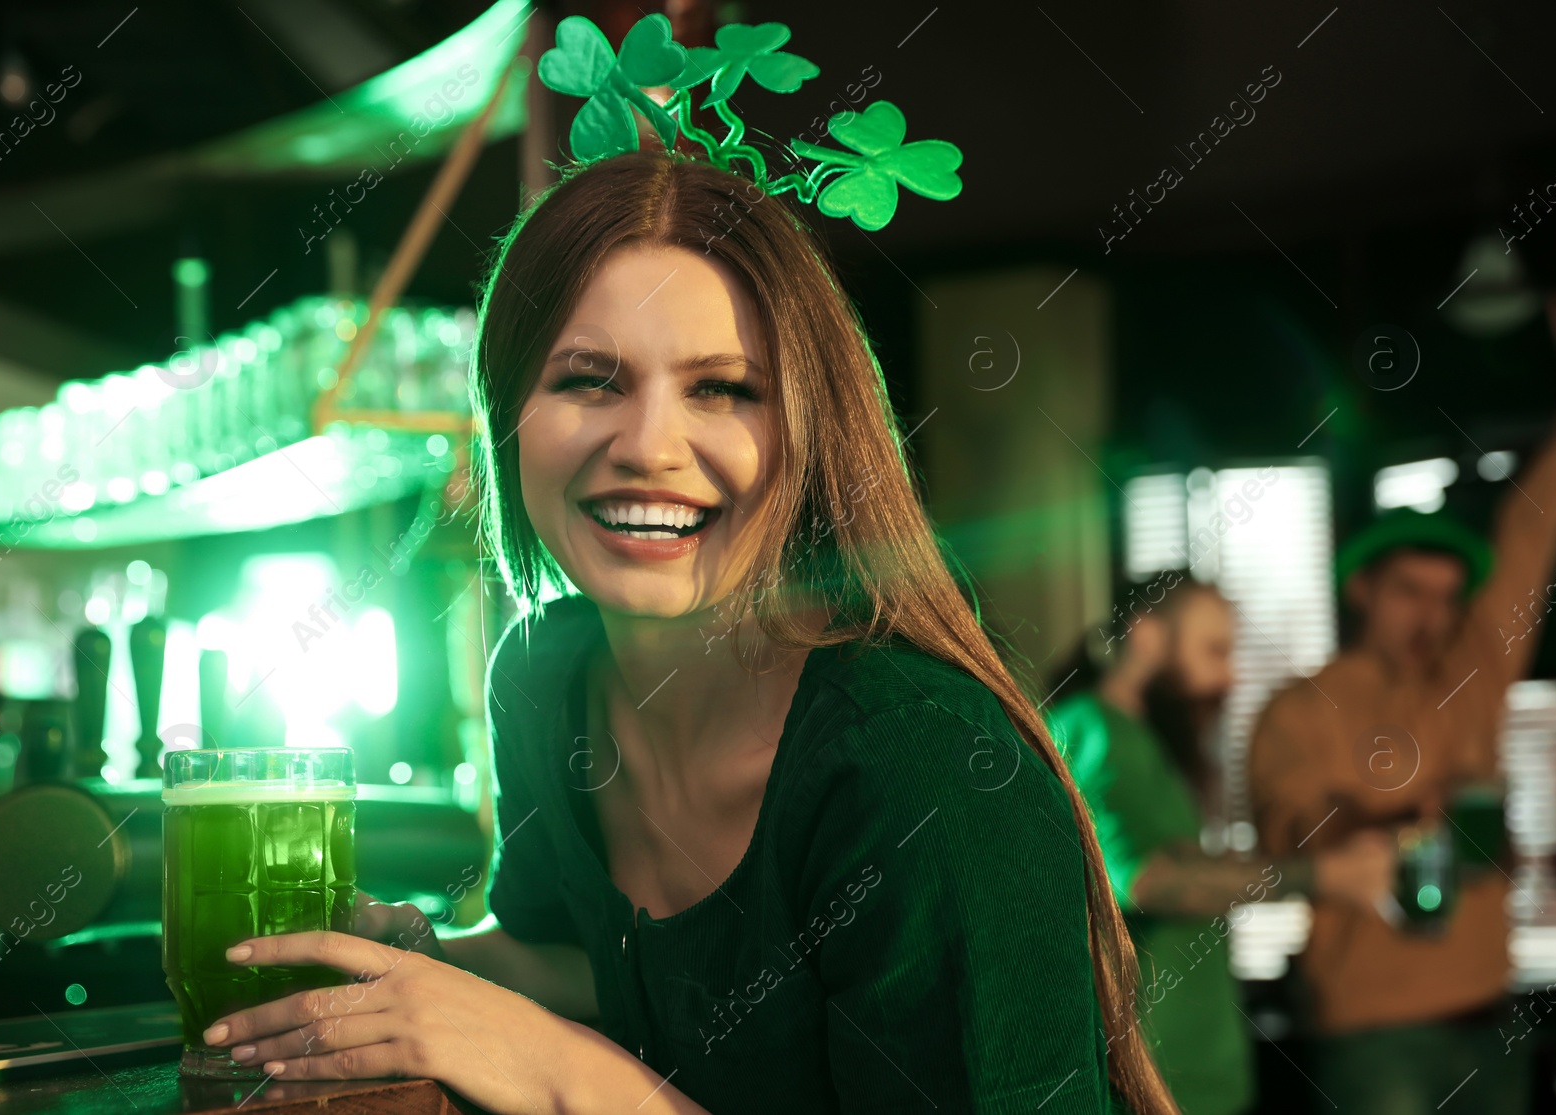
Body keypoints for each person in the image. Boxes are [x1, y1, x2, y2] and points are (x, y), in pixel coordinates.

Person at [190, 49, 1184, 1115]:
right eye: (587, 379)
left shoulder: (917, 767)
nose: (649, 447)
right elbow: (609, 974)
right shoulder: (543, 671)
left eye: (721, 390)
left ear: (808, 431)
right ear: (505, 415)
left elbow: (581, 1049)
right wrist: (438, 961)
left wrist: (562, 1073)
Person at [1248, 294, 1556, 1114]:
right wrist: (1403, 827)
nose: (1432, 615)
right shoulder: (1299, 710)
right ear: (1362, 587)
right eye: (1409, 591)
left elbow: (1530, 533)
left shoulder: (1473, 669)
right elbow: (1291, 848)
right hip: (1373, 1030)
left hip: (1490, 1013)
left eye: (1446, 596)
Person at [1047, 577, 1395, 1115]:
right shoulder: (1091, 729)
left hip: (1203, 1080)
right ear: (1146, 637)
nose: (1230, 676)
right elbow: (1150, 880)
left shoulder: (1148, 742)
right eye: (1215, 652)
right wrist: (1319, 876)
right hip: (1148, 1089)